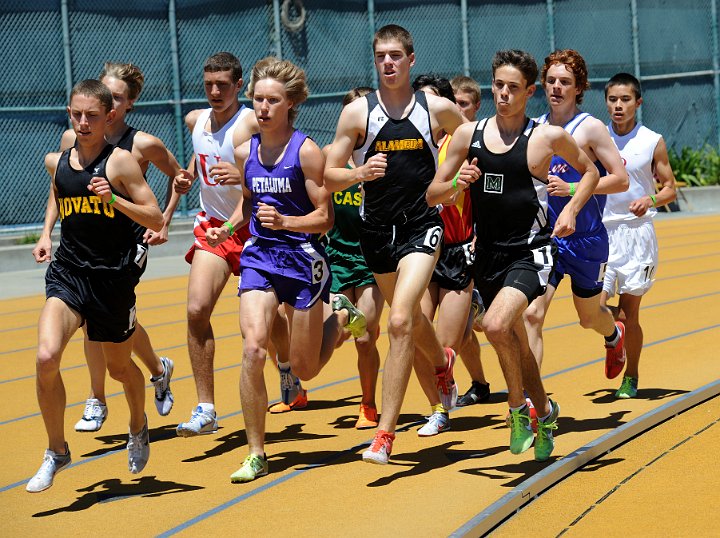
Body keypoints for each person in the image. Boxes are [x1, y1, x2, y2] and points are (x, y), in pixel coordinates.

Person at [427, 49, 600, 462]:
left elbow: (591, 171)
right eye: (498, 86)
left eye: (513, 88)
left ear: (530, 92)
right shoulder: (470, 135)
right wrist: (457, 185)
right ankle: (546, 412)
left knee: (495, 323)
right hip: (486, 255)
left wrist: (572, 210)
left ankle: (517, 409)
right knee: (517, 344)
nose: (503, 94)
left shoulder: (546, 138)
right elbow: (433, 193)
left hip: (532, 251)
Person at [205, 57, 367, 482]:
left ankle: (342, 318)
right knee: (253, 349)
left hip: (302, 259)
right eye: (257, 99)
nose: (262, 107)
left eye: (272, 100)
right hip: (259, 256)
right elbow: (248, 203)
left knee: (304, 368)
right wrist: (227, 227)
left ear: (290, 103)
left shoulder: (307, 152)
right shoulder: (246, 151)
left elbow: (325, 218)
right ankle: (256, 452)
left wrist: (288, 222)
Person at [325, 24, 465, 464]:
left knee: (400, 319)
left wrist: (453, 182)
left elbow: (471, 141)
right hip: (376, 232)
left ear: (411, 60)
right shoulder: (358, 114)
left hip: (422, 225)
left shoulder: (435, 109)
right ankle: (442, 363)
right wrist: (358, 174)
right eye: (381, 56)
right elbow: (328, 173)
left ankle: (384, 434)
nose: (388, 63)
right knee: (410, 323)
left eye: (396, 56)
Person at [27, 80, 164, 492]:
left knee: (121, 369)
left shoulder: (120, 163)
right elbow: (59, 190)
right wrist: (46, 232)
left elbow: (156, 218)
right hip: (69, 273)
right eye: (75, 114)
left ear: (109, 117)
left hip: (112, 279)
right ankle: (56, 450)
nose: (82, 122)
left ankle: (137, 424)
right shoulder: (60, 158)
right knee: (47, 356)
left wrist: (115, 202)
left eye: (91, 115)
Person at [173, 52, 290, 435]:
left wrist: (238, 177)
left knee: (266, 324)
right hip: (214, 228)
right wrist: (189, 176)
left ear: (239, 86)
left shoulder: (251, 125)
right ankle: (206, 407)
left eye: (223, 84)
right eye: (208, 84)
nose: (214, 91)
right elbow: (202, 152)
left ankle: (287, 369)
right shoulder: (197, 120)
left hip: (254, 229)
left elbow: (263, 182)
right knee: (195, 309)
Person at [523, 50, 629, 382]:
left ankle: (613, 335)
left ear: (578, 87)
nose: (556, 87)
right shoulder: (534, 129)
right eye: (551, 81)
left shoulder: (591, 128)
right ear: (542, 84)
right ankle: (531, 403)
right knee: (531, 314)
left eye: (565, 82)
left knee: (588, 318)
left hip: (586, 239)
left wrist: (572, 189)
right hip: (547, 239)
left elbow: (620, 179)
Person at [410, 74, 489, 437]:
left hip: (457, 251)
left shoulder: (459, 146)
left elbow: (459, 195)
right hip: (418, 250)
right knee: (410, 333)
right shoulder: (406, 147)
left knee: (445, 345)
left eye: (429, 104)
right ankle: (437, 410)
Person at [602, 72, 677, 398]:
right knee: (593, 307)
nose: (618, 106)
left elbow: (670, 189)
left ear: (638, 102)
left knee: (628, 313)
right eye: (613, 99)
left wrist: (649, 200)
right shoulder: (597, 136)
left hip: (637, 234)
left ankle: (630, 375)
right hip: (602, 233)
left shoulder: (651, 140)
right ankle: (612, 340)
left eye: (625, 100)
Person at [322, 86, 384, 429]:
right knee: (338, 330)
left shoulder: (381, 155)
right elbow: (320, 195)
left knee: (366, 335)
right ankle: (296, 383)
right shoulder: (331, 155)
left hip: (372, 256)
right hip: (338, 254)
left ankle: (368, 403)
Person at [449, 74, 492, 408]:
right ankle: (479, 383)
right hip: (456, 248)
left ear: (476, 107)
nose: (457, 109)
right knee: (462, 329)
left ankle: (524, 387)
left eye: (463, 104)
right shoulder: (445, 146)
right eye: (453, 104)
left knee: (500, 326)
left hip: (488, 245)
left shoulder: (485, 144)